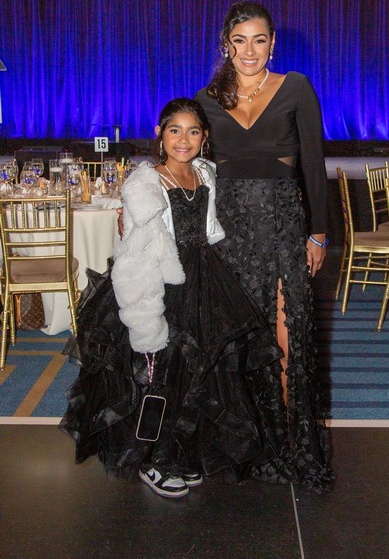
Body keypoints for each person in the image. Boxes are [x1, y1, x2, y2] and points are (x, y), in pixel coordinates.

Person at [60, 98, 280, 499]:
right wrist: (144, 311)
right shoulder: (146, 184)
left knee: (195, 373)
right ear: (160, 134)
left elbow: (211, 228)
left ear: (204, 137)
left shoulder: (205, 173)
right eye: (174, 130)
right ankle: (153, 458)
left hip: (204, 278)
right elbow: (136, 252)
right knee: (159, 371)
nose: (183, 139)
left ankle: (178, 451)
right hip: (161, 282)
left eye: (193, 131)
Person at [194, 1, 335, 493]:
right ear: (226, 45)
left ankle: (290, 444)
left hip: (281, 229)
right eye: (240, 41)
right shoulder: (207, 99)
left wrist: (318, 233)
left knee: (286, 338)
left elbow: (314, 164)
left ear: (273, 43)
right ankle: (246, 442)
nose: (249, 50)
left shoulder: (296, 87)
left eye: (259, 40)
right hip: (229, 234)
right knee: (238, 344)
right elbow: (191, 164)